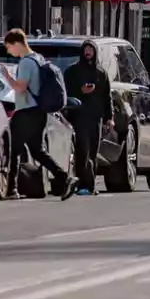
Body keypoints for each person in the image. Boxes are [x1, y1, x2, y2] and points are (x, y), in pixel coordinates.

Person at [1, 29, 76, 200]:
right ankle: (64, 177)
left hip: (26, 111)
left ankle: (11, 189)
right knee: (37, 151)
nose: (8, 51)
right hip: (39, 112)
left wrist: (7, 77)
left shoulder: (26, 63)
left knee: (14, 149)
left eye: (9, 47)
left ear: (17, 44)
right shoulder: (38, 58)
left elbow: (20, 87)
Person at [63, 40, 113, 195]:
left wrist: (109, 118)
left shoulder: (101, 73)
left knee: (93, 152)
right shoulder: (72, 71)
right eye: (86, 49)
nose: (88, 52)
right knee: (82, 150)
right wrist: (80, 91)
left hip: (95, 118)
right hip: (78, 117)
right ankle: (81, 184)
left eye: (91, 49)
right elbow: (65, 93)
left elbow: (107, 97)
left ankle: (90, 186)